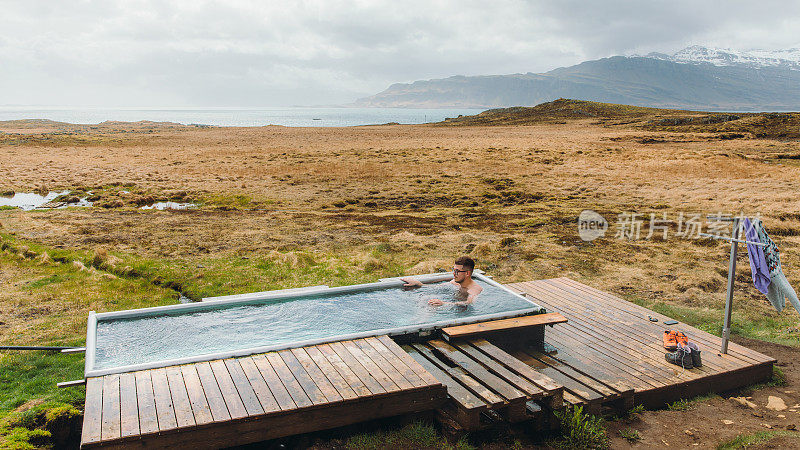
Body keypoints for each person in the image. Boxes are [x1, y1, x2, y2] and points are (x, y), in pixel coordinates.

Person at [400, 256, 483, 306]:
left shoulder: (474, 289)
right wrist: (419, 284)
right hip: (454, 304)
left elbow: (469, 302)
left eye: (457, 271)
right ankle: (417, 321)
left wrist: (444, 304)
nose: (454, 274)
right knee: (426, 299)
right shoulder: (455, 282)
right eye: (453, 270)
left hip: (464, 314)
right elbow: (436, 288)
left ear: (467, 273)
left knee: (434, 305)